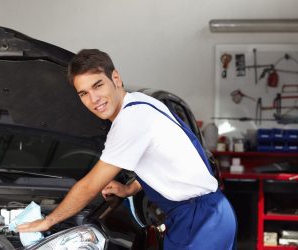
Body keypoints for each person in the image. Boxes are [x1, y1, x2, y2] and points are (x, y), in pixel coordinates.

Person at [18, 49, 237, 249]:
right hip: (204, 216)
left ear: (116, 78)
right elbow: (160, 159)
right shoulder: (140, 102)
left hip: (200, 221)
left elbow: (90, 186)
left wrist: (48, 221)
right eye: (83, 93)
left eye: (98, 85)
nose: (94, 99)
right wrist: (128, 189)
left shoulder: (130, 121)